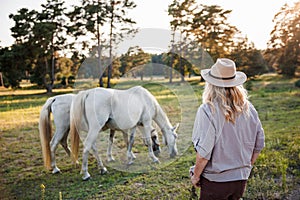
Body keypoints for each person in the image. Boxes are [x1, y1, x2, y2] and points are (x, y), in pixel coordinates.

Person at [190, 58, 265, 200]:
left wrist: (196, 176)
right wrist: (243, 168)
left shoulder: (207, 110)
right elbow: (259, 144)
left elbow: (204, 152)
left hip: (215, 182)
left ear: (211, 84)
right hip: (240, 181)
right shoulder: (249, 108)